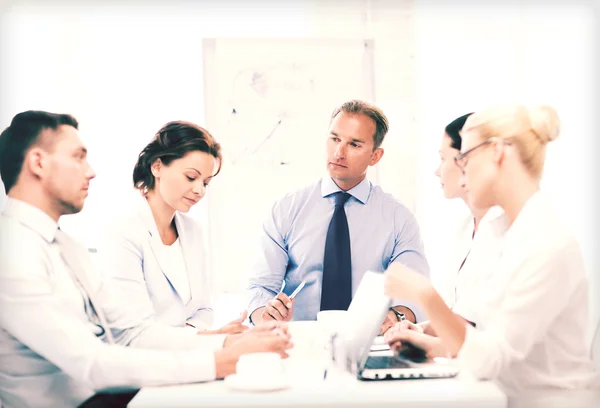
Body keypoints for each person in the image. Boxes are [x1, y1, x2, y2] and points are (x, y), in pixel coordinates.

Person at [0, 110, 292, 408]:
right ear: (38, 163)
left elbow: (131, 331)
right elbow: (93, 363)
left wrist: (229, 343)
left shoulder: (64, 245)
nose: (91, 171)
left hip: (107, 396)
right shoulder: (12, 253)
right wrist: (219, 361)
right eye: (78, 157)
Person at [384, 105, 599, 401]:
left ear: (497, 152)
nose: (461, 170)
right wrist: (424, 344)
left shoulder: (546, 242)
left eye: (466, 157)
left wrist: (426, 295)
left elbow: (490, 360)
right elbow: (484, 343)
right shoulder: (503, 231)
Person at [247, 99, 430, 332]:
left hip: (368, 344)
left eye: (354, 144)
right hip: (298, 343)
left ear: (375, 156)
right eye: (334, 139)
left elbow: (415, 292)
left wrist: (396, 316)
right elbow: (260, 287)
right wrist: (266, 314)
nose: (338, 152)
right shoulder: (287, 209)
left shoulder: (398, 219)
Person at [100, 121, 245, 334]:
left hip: (183, 356)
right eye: (191, 177)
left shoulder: (192, 230)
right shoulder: (123, 231)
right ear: (157, 166)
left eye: (205, 182)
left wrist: (199, 337)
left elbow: (204, 310)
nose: (199, 191)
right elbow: (135, 328)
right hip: (143, 360)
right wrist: (207, 337)